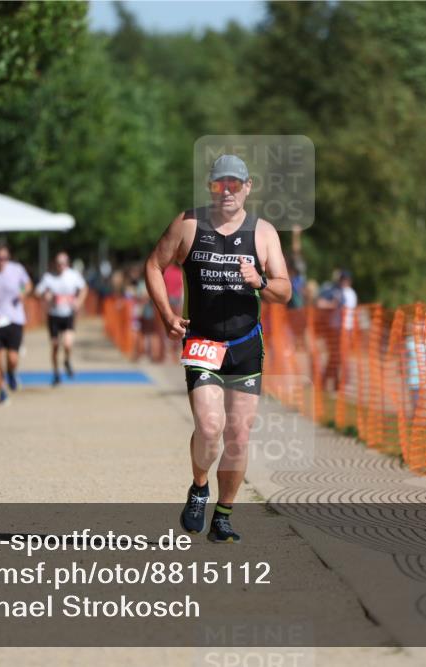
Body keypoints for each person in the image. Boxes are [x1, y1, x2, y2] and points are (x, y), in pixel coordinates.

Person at [145, 154, 291, 543]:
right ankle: (199, 487)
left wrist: (260, 281)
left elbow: (285, 291)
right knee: (210, 428)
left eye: (234, 184)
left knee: (238, 436)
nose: (226, 191)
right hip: (202, 342)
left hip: (245, 345)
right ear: (210, 187)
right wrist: (166, 314)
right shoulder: (188, 224)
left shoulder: (263, 233)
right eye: (218, 184)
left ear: (247, 187)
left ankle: (223, 516)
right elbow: (154, 266)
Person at [0, 244, 32, 405]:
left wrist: (23, 293)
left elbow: (28, 285)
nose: (1, 261)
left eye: (4, 258)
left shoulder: (17, 269)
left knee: (12, 358)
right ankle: (1, 391)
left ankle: (11, 373)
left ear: (8, 258)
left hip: (14, 319)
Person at [35, 251, 88, 385]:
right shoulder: (48, 277)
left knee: (68, 344)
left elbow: (84, 289)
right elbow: (37, 292)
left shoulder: (73, 275)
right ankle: (56, 373)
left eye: (63, 263)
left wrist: (79, 302)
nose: (61, 266)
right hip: (53, 315)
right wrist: (45, 295)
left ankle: (67, 360)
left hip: (68, 314)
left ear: (67, 264)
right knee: (55, 346)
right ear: (55, 264)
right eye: (59, 263)